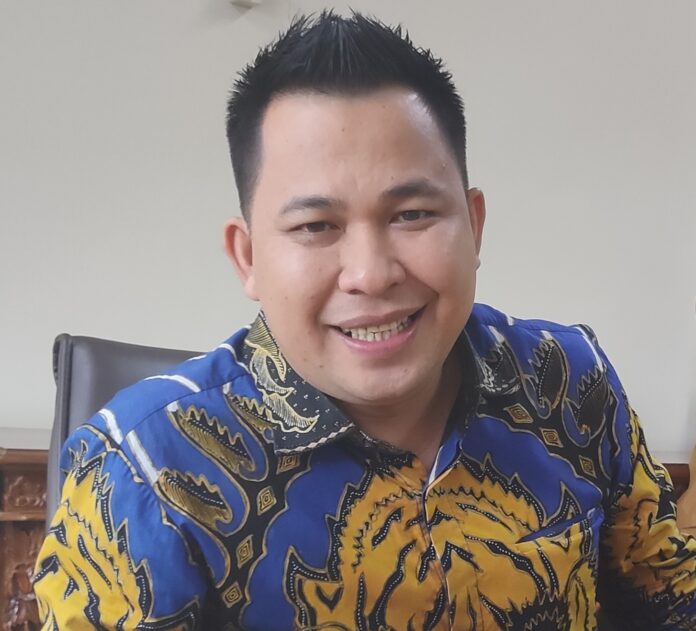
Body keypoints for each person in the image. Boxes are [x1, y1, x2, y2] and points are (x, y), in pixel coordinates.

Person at [33, 11, 696, 630]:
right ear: (249, 257)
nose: (372, 273)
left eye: (412, 215)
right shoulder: (140, 476)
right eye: (315, 225)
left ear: (474, 225)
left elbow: (668, 598)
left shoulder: (570, 383)